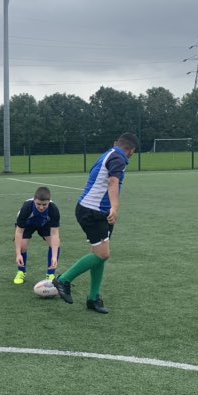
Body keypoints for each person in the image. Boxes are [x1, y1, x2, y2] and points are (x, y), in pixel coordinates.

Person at [55, 132, 139, 313]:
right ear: (132, 150)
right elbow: (113, 181)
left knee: (100, 254)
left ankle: (93, 298)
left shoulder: (110, 153)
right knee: (103, 254)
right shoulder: (119, 158)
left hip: (98, 211)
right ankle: (63, 280)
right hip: (92, 211)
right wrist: (115, 207)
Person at [13, 186, 61, 285]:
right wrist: (18, 254)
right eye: (38, 204)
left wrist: (55, 256)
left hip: (44, 223)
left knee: (55, 244)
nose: (41, 207)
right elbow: (19, 232)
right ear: (34, 200)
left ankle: (50, 274)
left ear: (49, 201)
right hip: (28, 224)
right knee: (22, 247)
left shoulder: (53, 210)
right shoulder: (26, 208)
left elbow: (55, 234)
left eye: (44, 204)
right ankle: (21, 271)